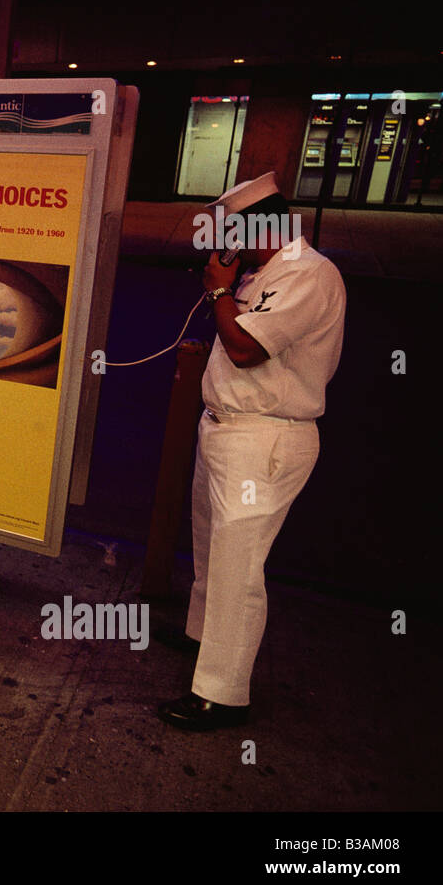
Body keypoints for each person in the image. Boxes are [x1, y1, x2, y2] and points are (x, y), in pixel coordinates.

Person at [157, 172, 346, 731]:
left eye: (234, 230)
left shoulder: (309, 276)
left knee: (239, 568)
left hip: (266, 436)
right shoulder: (264, 271)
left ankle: (222, 692)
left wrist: (218, 289)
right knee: (211, 548)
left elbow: (243, 349)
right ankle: (200, 637)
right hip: (224, 427)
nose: (228, 243)